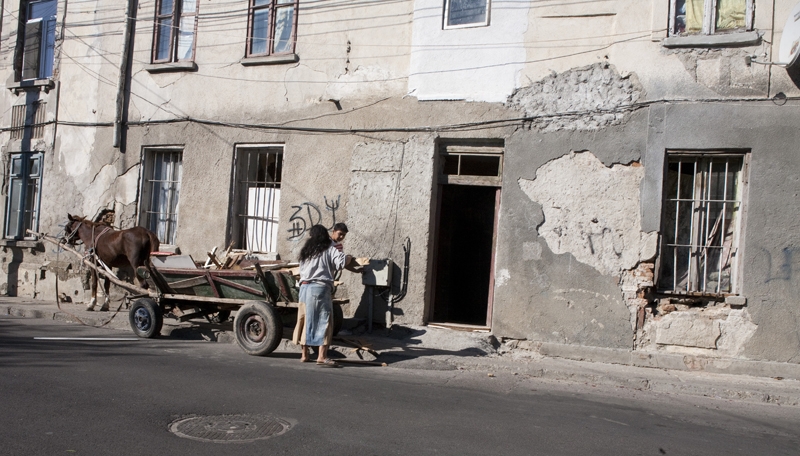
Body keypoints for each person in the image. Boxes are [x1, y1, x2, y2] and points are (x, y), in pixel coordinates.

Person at [293, 224, 362, 367]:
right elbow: (341, 263)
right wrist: (348, 257)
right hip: (319, 288)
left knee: (305, 320)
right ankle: (322, 356)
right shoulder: (330, 249)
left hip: (304, 288)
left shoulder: (305, 252)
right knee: (324, 321)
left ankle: (304, 355)